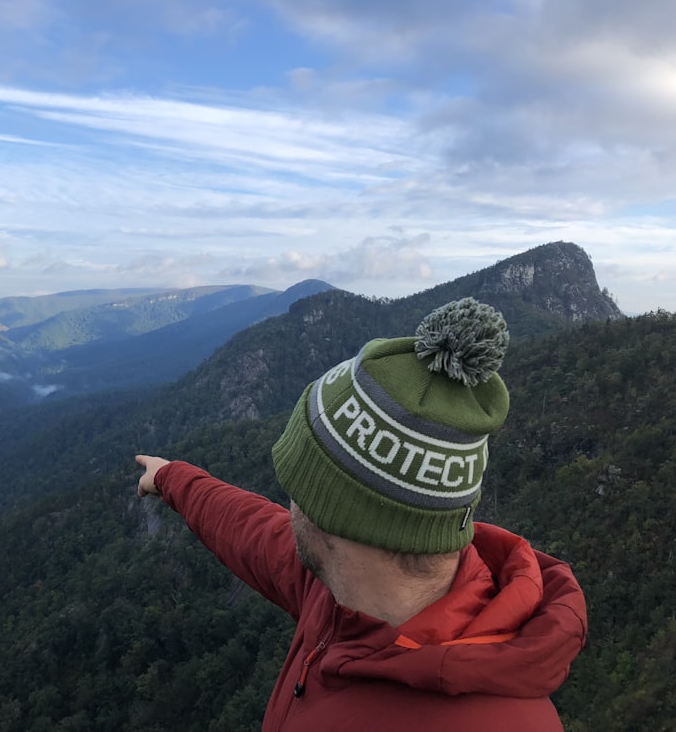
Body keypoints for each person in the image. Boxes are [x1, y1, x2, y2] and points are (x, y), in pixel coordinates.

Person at [135, 297, 587, 731]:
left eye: (299, 486)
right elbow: (252, 532)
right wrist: (173, 478)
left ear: (336, 516)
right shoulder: (342, 596)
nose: (288, 503)